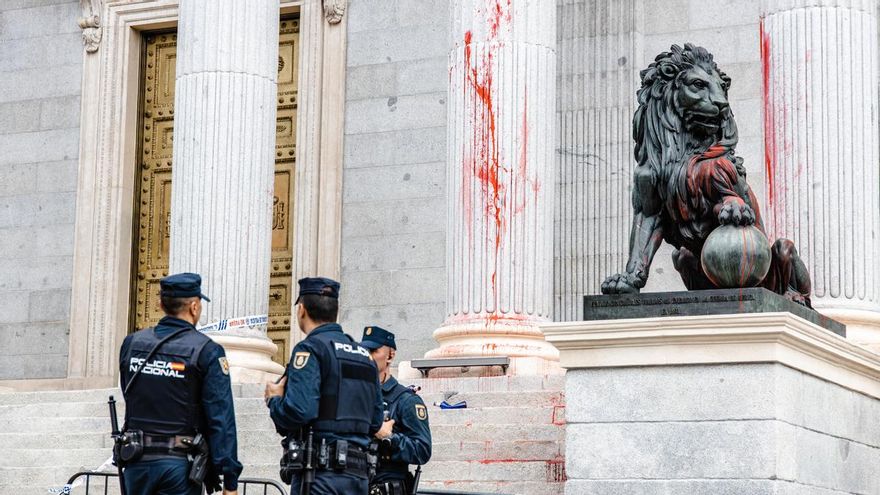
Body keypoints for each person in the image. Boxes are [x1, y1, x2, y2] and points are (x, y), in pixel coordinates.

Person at [118, 272, 241, 495]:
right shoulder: (207, 351)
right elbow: (221, 417)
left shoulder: (131, 343)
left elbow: (129, 392)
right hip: (179, 466)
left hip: (136, 463)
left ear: (159, 304)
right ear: (194, 307)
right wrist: (230, 479)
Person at [264, 277, 384, 494]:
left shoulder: (311, 349)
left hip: (321, 476)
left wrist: (275, 400)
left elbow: (299, 411)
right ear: (335, 311)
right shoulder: (365, 357)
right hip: (358, 477)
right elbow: (375, 421)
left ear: (301, 310)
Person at [360, 326, 432, 495]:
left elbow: (422, 450)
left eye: (373, 351)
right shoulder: (354, 397)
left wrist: (389, 437)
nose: (367, 357)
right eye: (364, 351)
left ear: (390, 355)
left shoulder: (405, 400)